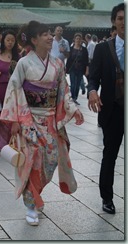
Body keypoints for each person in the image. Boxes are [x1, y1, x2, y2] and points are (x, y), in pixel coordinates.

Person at [0, 21, 84, 226]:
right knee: (32, 163)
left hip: (50, 121)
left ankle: (36, 194)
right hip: (29, 119)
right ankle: (31, 204)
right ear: (34, 39)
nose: (49, 37)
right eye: (44, 34)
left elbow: (63, 90)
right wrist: (16, 121)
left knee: (50, 161)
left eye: (49, 34)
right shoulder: (24, 63)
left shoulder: (57, 64)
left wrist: (73, 109)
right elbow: (14, 90)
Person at [87, 3, 124, 214]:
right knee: (110, 154)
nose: (124, 22)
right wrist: (92, 91)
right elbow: (92, 78)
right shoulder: (103, 49)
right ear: (114, 21)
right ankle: (107, 198)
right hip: (113, 110)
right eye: (120, 18)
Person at [66, 33, 89, 105]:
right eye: (77, 39)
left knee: (78, 84)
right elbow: (69, 60)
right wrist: (66, 68)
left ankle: (75, 97)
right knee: (73, 83)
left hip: (80, 68)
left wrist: (87, 69)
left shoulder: (84, 49)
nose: (78, 40)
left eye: (79, 39)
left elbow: (86, 60)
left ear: (81, 40)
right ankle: (73, 97)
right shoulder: (71, 49)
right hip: (72, 68)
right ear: (74, 39)